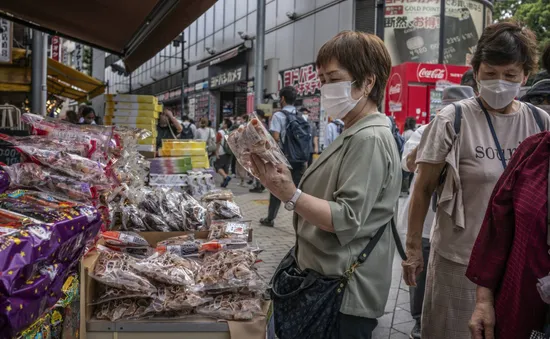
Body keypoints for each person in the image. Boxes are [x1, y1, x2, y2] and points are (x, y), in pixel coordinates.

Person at [401, 21, 550, 339]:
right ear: (477, 70)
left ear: (525, 75)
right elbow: (423, 188)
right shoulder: (452, 119)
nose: (499, 82)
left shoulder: (540, 123)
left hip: (515, 267)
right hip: (459, 263)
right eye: (491, 72)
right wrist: (413, 249)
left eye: (510, 75)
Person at [251, 30, 401, 338]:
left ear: (367, 82)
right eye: (322, 80)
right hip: (322, 279)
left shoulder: (369, 138)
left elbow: (345, 217)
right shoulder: (353, 131)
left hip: (341, 294)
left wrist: (289, 193)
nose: (325, 88)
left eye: (333, 79)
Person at [399, 85, 475, 339]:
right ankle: (419, 319)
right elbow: (408, 164)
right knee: (419, 275)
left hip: (454, 223)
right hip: (424, 220)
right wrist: (432, 141)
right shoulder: (424, 130)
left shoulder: (473, 134)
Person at [259, 86, 308, 227]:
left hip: (284, 159)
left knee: (276, 187)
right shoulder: (301, 116)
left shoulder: (278, 116)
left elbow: (275, 137)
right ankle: (303, 221)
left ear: (282, 99)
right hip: (300, 159)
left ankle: (270, 218)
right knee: (298, 190)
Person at [250, 109, 268, 193]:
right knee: (261, 167)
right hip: (262, 149)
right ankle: (261, 185)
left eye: (255, 114)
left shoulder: (257, 125)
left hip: (258, 148)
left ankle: (259, 186)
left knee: (257, 167)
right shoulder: (264, 124)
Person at [215, 118, 233, 188]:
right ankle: (224, 182)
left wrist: (216, 152)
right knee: (226, 167)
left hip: (221, 151)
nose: (221, 124)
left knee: (217, 166)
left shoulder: (220, 132)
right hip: (229, 152)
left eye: (223, 122)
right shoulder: (230, 132)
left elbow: (218, 143)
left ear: (225, 125)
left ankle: (226, 177)